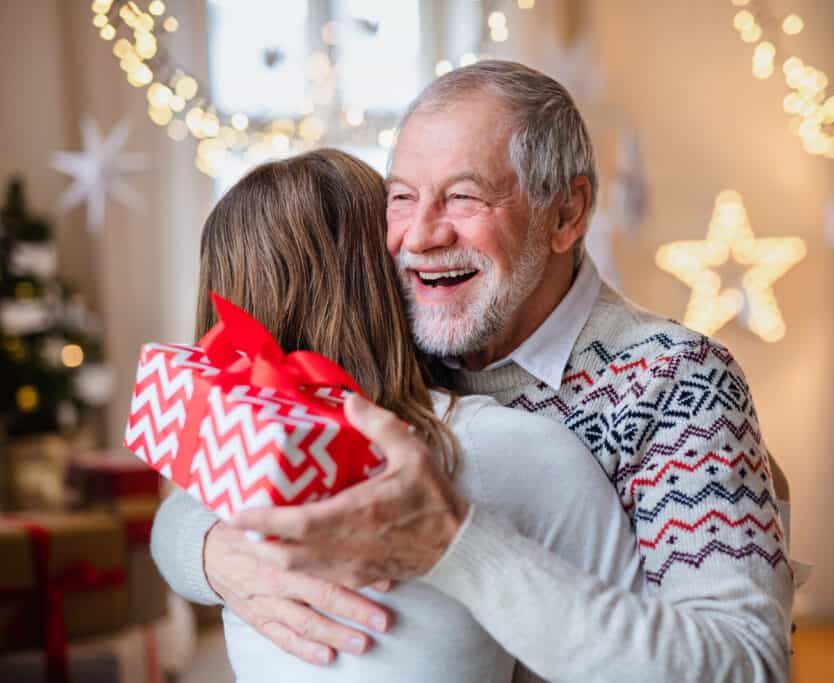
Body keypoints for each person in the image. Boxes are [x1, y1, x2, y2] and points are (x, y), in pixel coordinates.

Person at [153, 60, 794, 681]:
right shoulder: (399, 342)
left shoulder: (677, 380)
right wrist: (211, 554)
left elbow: (746, 666)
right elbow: (191, 497)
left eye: (463, 196)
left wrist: (457, 547)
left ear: (567, 214)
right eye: (402, 197)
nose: (422, 235)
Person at [167, 147, 643, 682]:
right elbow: (643, 657)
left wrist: (199, 548)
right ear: (387, 274)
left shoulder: (225, 471)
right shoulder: (501, 449)